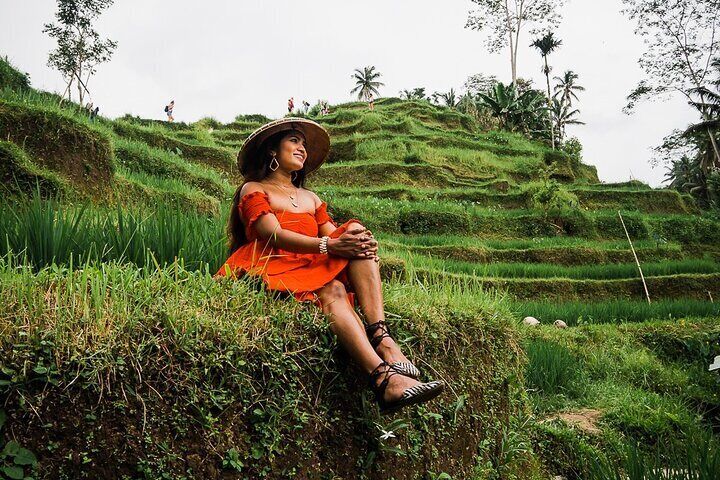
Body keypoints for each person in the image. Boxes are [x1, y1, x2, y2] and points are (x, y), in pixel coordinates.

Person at [216, 118, 444, 414]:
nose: (302, 148)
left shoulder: (311, 197)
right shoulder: (254, 188)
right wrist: (328, 246)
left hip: (310, 262)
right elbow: (272, 233)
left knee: (354, 235)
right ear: (273, 150)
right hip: (274, 262)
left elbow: (332, 233)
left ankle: (382, 338)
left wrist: (355, 240)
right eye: (294, 141)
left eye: (304, 145)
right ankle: (383, 376)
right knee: (336, 276)